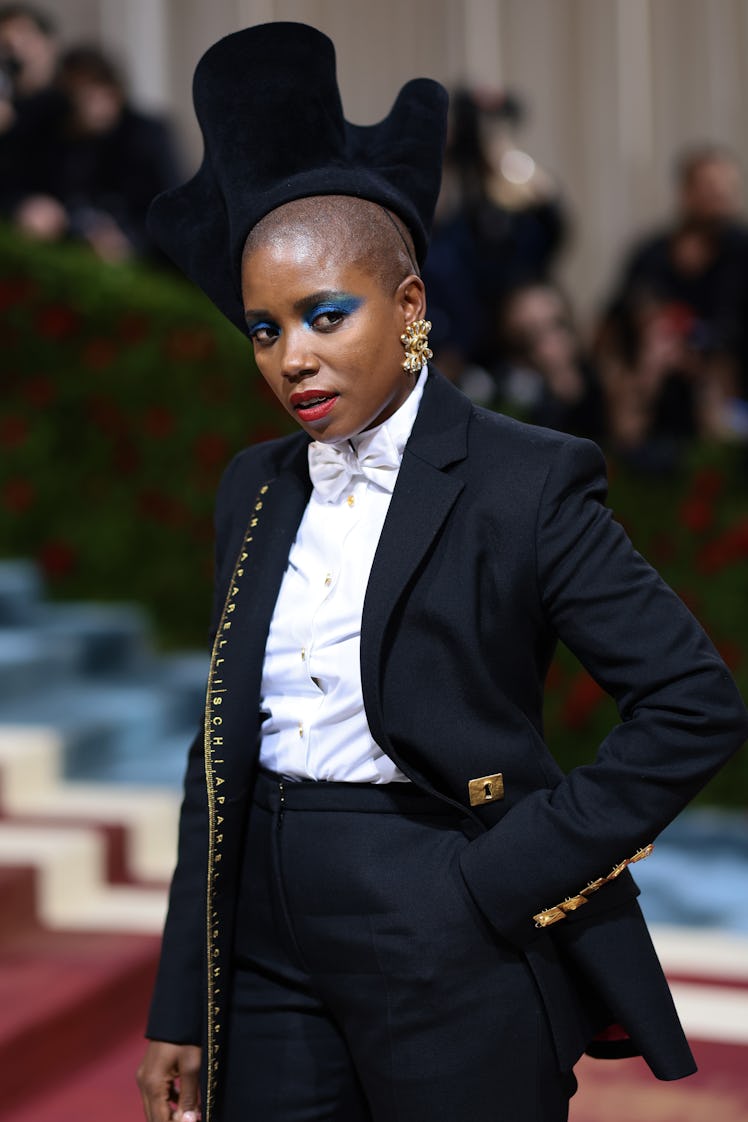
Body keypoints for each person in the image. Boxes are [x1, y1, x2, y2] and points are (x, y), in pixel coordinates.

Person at [135, 24, 748, 1122]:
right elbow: (219, 750)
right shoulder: (254, 485)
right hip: (265, 944)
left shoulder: (527, 478)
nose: (294, 357)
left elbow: (692, 702)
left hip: (447, 921)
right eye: (265, 330)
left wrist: (502, 881)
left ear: (409, 308)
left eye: (328, 315)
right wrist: (181, 997)